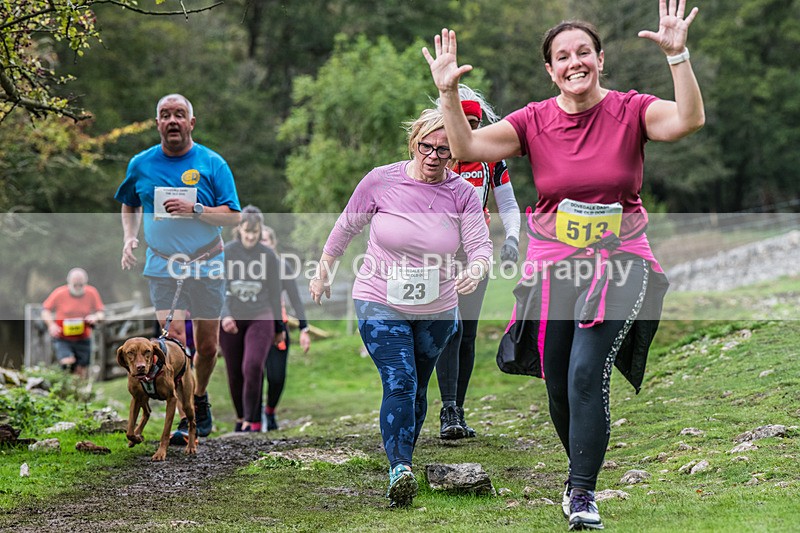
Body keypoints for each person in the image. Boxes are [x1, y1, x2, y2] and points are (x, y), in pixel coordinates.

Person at [424, 0, 704, 529]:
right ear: (550, 70)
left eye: (583, 52)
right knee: (557, 380)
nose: (575, 62)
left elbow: (688, 120)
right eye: (563, 56)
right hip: (554, 267)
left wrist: (678, 56)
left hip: (621, 262)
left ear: (600, 59)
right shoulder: (533, 120)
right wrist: (447, 94)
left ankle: (582, 492)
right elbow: (468, 146)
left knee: (584, 371)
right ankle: (579, 470)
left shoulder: (631, 110)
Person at [309, 107, 493, 508]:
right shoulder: (381, 180)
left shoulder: (462, 193)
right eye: (427, 146)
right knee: (401, 380)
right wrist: (323, 270)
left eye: (444, 150)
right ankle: (400, 469)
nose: (433, 156)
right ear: (413, 143)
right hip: (379, 298)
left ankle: (403, 459)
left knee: (418, 387)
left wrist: (476, 269)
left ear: (455, 153)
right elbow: (345, 226)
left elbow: (480, 245)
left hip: (437, 308)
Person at [115, 93, 242, 441]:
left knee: (207, 346)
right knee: (173, 340)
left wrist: (196, 210)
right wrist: (129, 237)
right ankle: (186, 417)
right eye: (166, 114)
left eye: (179, 114)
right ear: (157, 123)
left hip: (207, 263)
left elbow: (233, 216)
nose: (173, 120)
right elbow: (129, 203)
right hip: (161, 265)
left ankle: (198, 397)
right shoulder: (140, 164)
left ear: (191, 122)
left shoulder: (213, 163)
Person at [433, 85, 521, 440]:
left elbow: (508, 204)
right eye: (462, 122)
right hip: (438, 256)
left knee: (466, 333)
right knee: (447, 329)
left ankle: (456, 410)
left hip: (475, 254)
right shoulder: (435, 153)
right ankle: (442, 407)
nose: (468, 130)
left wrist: (512, 238)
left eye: (474, 124)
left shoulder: (490, 157)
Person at [219, 206, 284, 432]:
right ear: (239, 229)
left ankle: (251, 419)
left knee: (253, 365)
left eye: (255, 232)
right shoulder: (226, 252)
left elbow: (275, 294)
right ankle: (240, 418)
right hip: (232, 315)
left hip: (260, 314)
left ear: (260, 231)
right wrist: (225, 314)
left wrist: (279, 327)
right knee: (234, 370)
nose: (250, 237)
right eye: (247, 231)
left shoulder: (268, 256)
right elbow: (218, 287)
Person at [258, 224, 312, 431]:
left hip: (277, 329)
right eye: (259, 240)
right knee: (253, 373)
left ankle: (270, 411)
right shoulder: (244, 266)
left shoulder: (282, 266)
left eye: (265, 240)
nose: (262, 244)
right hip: (251, 327)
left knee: (276, 377)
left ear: (273, 243)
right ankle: (253, 417)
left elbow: (295, 299)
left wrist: (304, 329)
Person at [41, 268, 105, 379]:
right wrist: (51, 325)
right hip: (63, 337)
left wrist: (95, 317)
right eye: (75, 285)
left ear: (85, 283)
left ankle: (78, 389)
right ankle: (64, 384)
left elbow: (101, 312)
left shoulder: (92, 292)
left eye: (81, 285)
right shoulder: (59, 293)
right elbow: (45, 310)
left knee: (81, 371)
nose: (78, 287)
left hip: (83, 338)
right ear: (69, 282)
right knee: (67, 363)